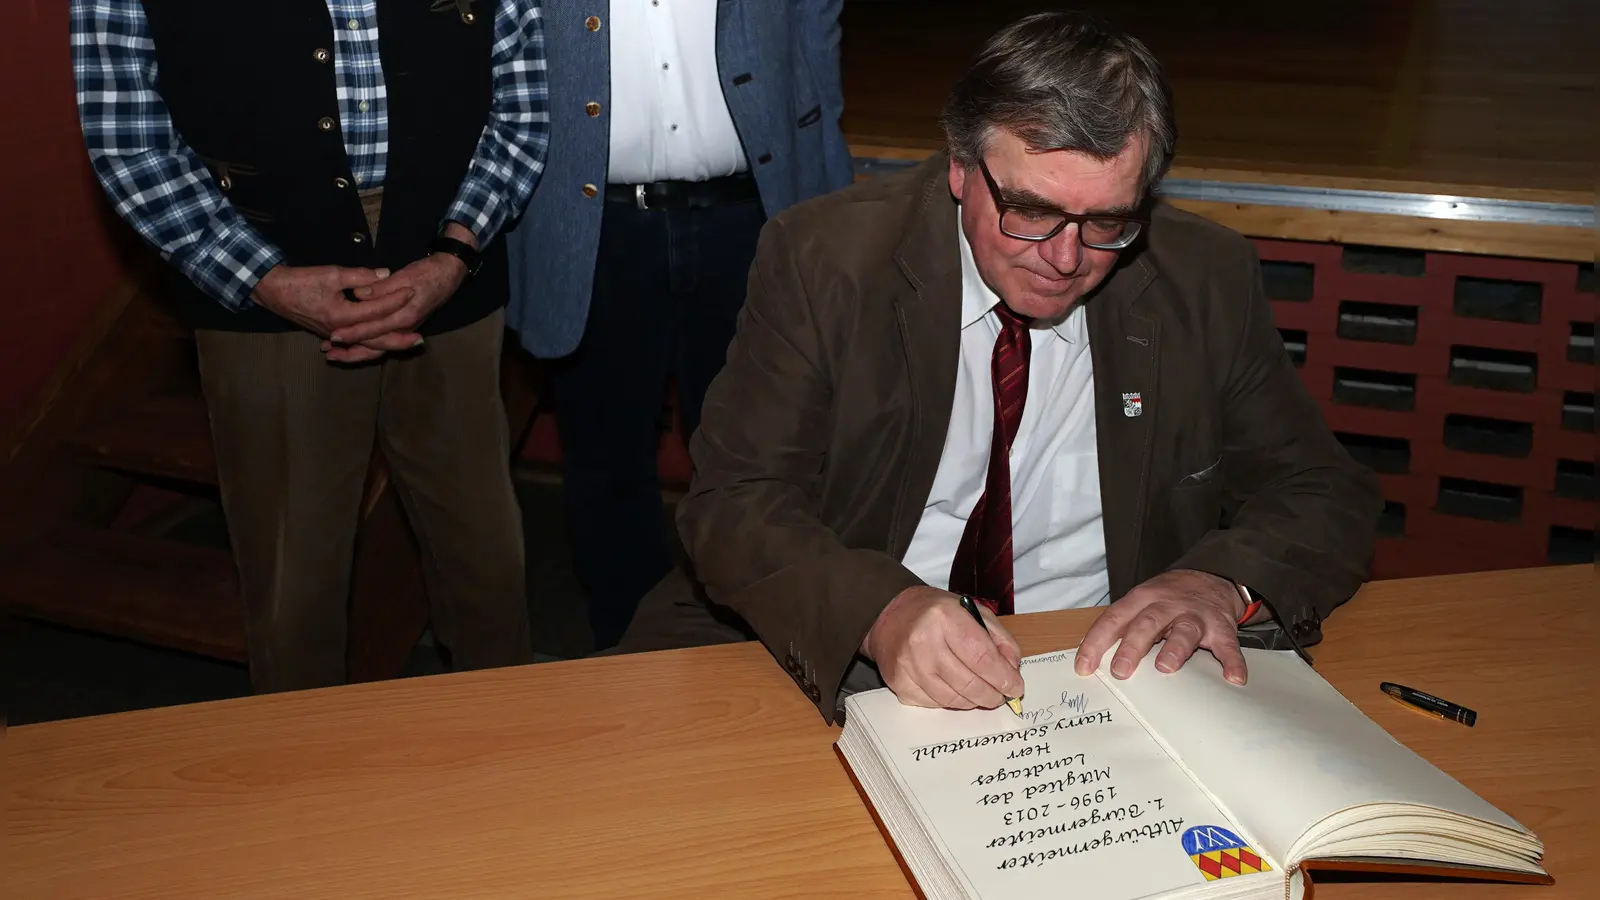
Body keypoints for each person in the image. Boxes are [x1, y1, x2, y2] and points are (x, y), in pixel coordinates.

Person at [616, 11, 1382, 721]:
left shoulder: (1202, 276)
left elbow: (1322, 490)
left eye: (1109, 220)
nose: (1065, 257)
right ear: (959, 167)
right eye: (1031, 209)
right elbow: (736, 502)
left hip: (1100, 669)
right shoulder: (828, 261)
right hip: (854, 650)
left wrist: (1215, 580)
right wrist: (881, 611)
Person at [71, 0, 551, 691]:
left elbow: (521, 110)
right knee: (293, 596)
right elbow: (129, 141)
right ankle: (304, 784)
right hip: (258, 266)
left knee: (489, 565)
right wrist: (261, 279)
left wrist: (455, 253)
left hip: (452, 257)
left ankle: (514, 759)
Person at [504, 1, 856, 651]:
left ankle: (757, 639)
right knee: (606, 461)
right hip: (594, 233)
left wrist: (830, 208)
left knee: (762, 455)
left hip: (748, 221)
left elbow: (815, 38)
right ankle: (631, 649)